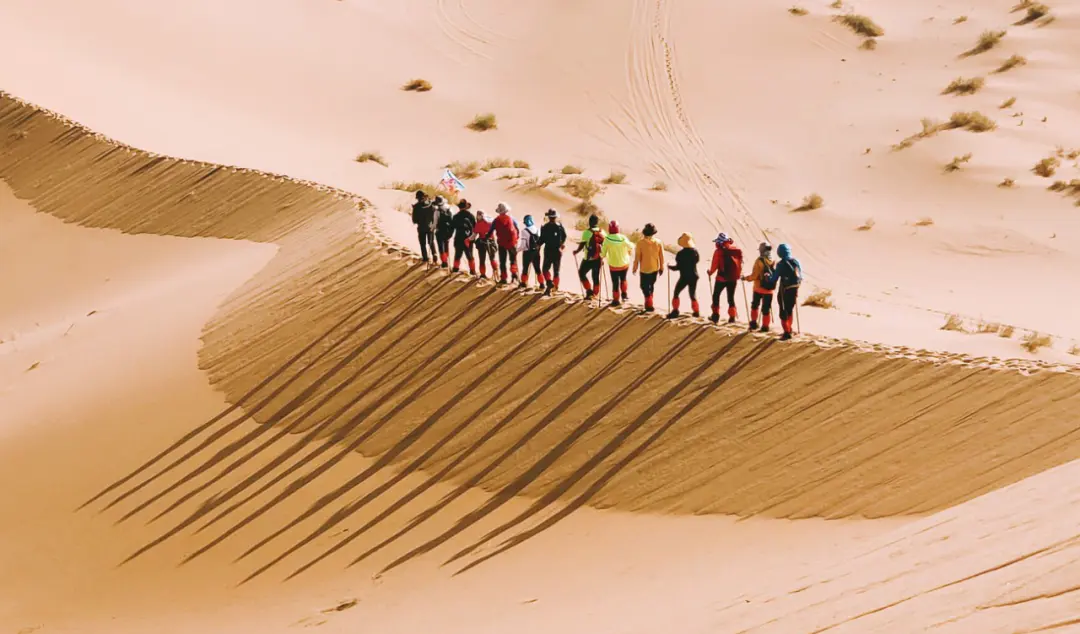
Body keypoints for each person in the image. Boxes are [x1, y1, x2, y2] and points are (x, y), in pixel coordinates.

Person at [766, 243, 803, 341]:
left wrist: (768, 275)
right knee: (790, 310)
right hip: (795, 289)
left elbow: (774, 279)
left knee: (783, 310)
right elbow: (801, 276)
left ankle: (786, 332)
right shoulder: (796, 261)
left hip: (784, 290)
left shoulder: (780, 264)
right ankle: (789, 329)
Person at [707, 232, 743, 324]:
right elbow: (740, 263)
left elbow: (714, 265)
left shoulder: (719, 252)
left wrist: (710, 272)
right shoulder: (736, 250)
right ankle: (732, 317)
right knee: (731, 298)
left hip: (721, 278)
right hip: (733, 278)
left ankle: (715, 316)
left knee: (716, 296)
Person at [742, 241, 776, 332]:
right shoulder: (773, 261)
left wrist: (745, 278)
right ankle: (765, 326)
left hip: (758, 288)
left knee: (755, 306)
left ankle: (753, 323)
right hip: (769, 290)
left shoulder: (759, 261)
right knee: (766, 309)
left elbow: (754, 276)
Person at [485, 202, 520, 285]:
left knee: (502, 261)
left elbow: (490, 232)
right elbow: (517, 229)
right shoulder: (512, 219)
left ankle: (503, 278)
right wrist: (516, 239)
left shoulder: (496, 220)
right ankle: (514, 276)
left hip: (501, 243)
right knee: (513, 260)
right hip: (512, 243)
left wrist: (486, 237)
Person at [601, 220, 634, 307]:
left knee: (615, 283)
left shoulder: (607, 240)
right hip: (624, 264)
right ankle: (624, 295)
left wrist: (601, 257)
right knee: (623, 279)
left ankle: (616, 300)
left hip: (613, 266)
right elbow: (631, 246)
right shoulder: (623, 238)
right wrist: (628, 250)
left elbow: (603, 254)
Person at [632, 223, 664, 313]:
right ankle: (649, 302)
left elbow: (637, 257)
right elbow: (661, 256)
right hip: (655, 268)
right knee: (651, 285)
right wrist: (662, 267)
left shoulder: (640, 243)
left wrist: (635, 268)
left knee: (643, 286)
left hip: (644, 269)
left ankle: (649, 303)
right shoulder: (658, 242)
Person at [667, 233, 701, 319]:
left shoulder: (680, 254)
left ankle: (675, 311)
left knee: (676, 292)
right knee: (692, 294)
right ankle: (696, 311)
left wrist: (670, 267)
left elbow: (678, 267)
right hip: (694, 276)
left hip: (685, 277)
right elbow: (697, 261)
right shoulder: (695, 252)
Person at [574, 214, 605, 300]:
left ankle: (589, 291)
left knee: (581, 273)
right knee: (595, 277)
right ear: (597, 222)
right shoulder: (602, 232)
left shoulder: (587, 232)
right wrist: (602, 257)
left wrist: (576, 251)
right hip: (598, 258)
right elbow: (605, 245)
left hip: (588, 259)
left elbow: (582, 244)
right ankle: (595, 294)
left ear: (589, 222)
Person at [540, 209, 567, 296]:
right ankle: (555, 287)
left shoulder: (545, 227)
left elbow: (542, 239)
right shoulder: (560, 226)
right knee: (556, 271)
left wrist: (537, 245)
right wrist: (561, 244)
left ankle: (549, 283)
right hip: (557, 251)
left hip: (548, 250)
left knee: (545, 269)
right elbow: (564, 236)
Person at [451, 199, 477, 275]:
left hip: (458, 237)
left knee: (458, 255)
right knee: (470, 255)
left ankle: (455, 269)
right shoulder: (471, 216)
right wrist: (473, 238)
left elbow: (452, 227)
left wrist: (448, 236)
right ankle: (472, 271)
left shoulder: (456, 216)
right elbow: (475, 228)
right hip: (468, 238)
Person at [410, 190, 437, 264]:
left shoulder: (416, 207)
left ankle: (425, 258)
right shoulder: (431, 205)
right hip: (430, 227)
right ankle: (435, 255)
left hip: (421, 228)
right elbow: (434, 216)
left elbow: (414, 220)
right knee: (431, 242)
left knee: (422, 244)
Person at [519, 214, 543, 289]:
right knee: (538, 269)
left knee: (525, 268)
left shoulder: (524, 231)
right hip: (536, 252)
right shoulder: (538, 230)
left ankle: (523, 283)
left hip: (527, 252)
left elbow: (523, 245)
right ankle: (542, 284)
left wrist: (516, 250)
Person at [472, 210, 498, 279]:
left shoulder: (478, 224)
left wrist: (467, 240)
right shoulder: (490, 222)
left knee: (482, 260)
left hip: (482, 242)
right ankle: (496, 273)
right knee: (492, 258)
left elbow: (473, 236)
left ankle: (483, 275)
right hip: (491, 241)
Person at [434, 195, 454, 268]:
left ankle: (444, 262)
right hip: (448, 231)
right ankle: (447, 260)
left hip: (440, 231)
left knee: (441, 247)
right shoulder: (449, 208)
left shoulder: (437, 211)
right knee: (446, 246)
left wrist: (433, 229)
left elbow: (435, 222)